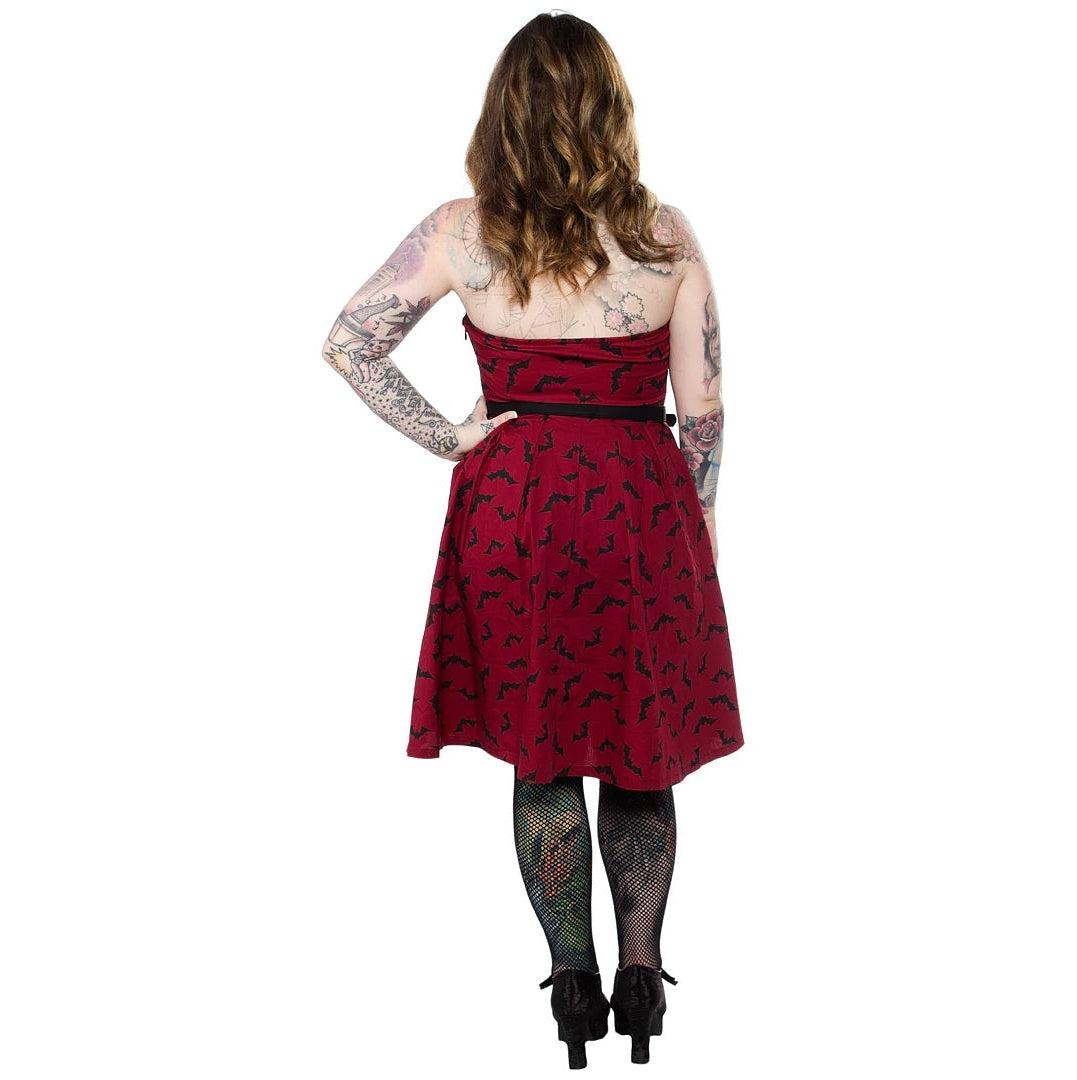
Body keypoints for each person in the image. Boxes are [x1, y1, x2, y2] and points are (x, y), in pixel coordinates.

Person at [321, 11, 744, 1069]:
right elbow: (703, 412)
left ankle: (572, 983)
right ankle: (641, 974)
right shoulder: (666, 237)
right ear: (613, 111)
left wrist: (451, 437)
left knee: (541, 751)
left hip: (512, 511)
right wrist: (699, 531)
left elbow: (351, 341)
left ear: (501, 113)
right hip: (637, 512)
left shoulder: (462, 232)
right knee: (639, 752)